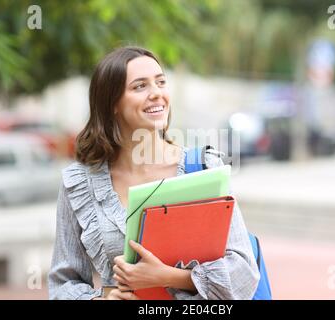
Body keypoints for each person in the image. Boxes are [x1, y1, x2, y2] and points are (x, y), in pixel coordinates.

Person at [48, 46, 260, 300]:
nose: (157, 94)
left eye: (160, 82)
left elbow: (244, 272)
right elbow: (62, 284)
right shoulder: (79, 183)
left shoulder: (203, 168)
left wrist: (168, 277)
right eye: (140, 86)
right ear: (112, 103)